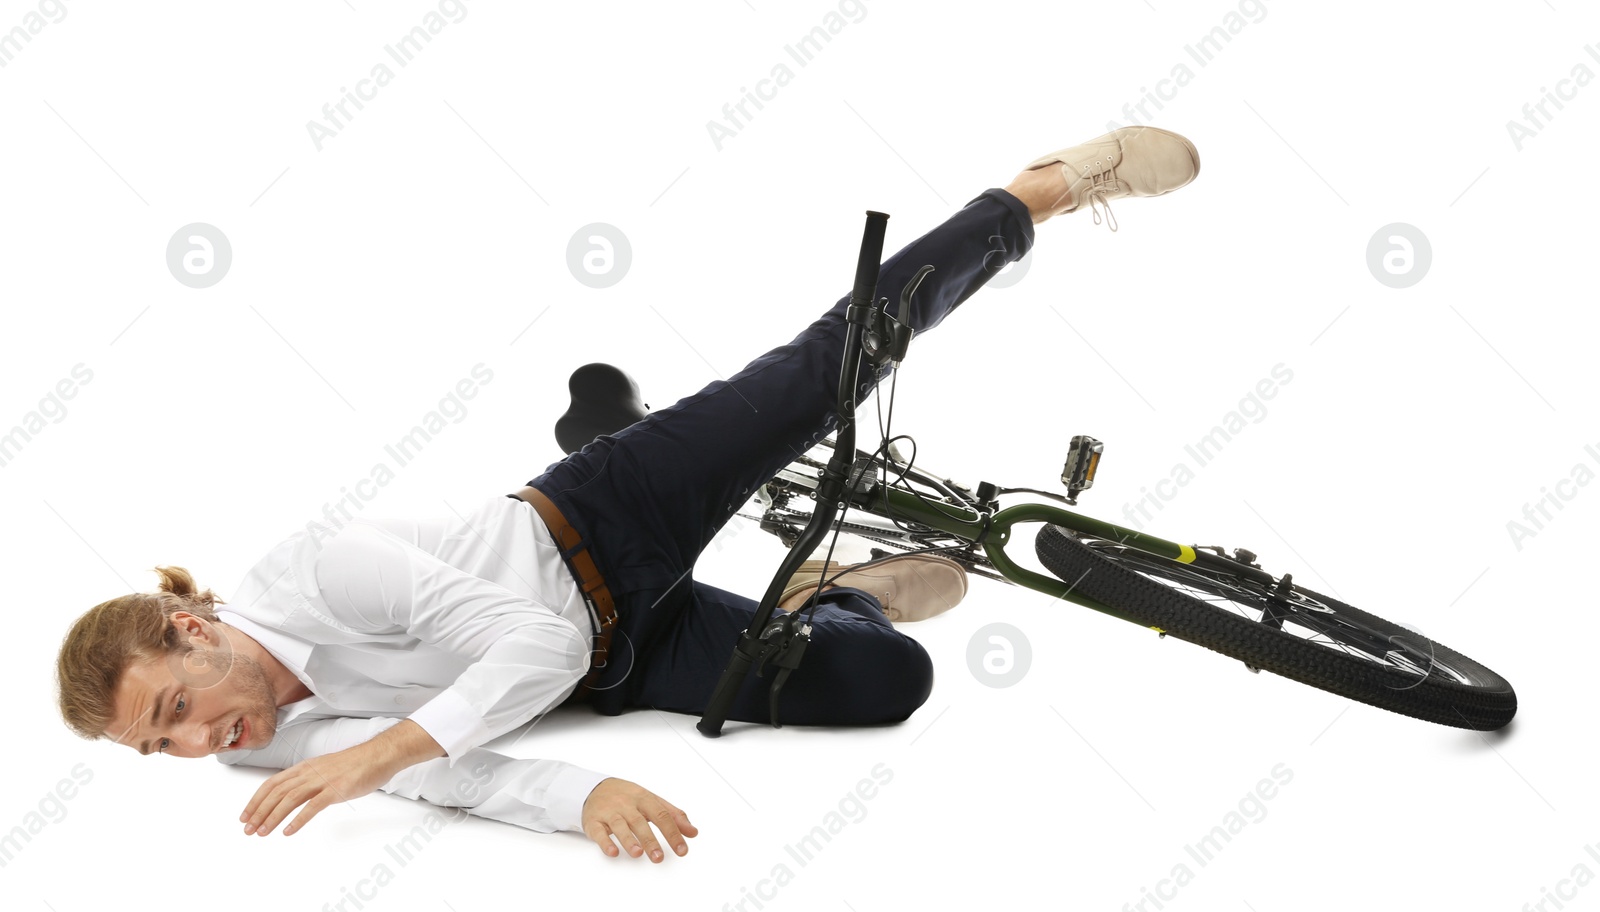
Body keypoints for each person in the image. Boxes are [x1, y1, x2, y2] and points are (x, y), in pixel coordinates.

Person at [53, 126, 1199, 864]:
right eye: (163, 754)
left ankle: (1036, 192)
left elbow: (526, 648)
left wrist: (370, 756)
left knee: (823, 374)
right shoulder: (257, 748)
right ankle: (839, 589)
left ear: (193, 632)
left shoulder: (315, 572)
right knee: (886, 681)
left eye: (174, 715)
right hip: (626, 663)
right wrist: (584, 788)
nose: (201, 746)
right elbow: (455, 773)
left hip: (600, 520)